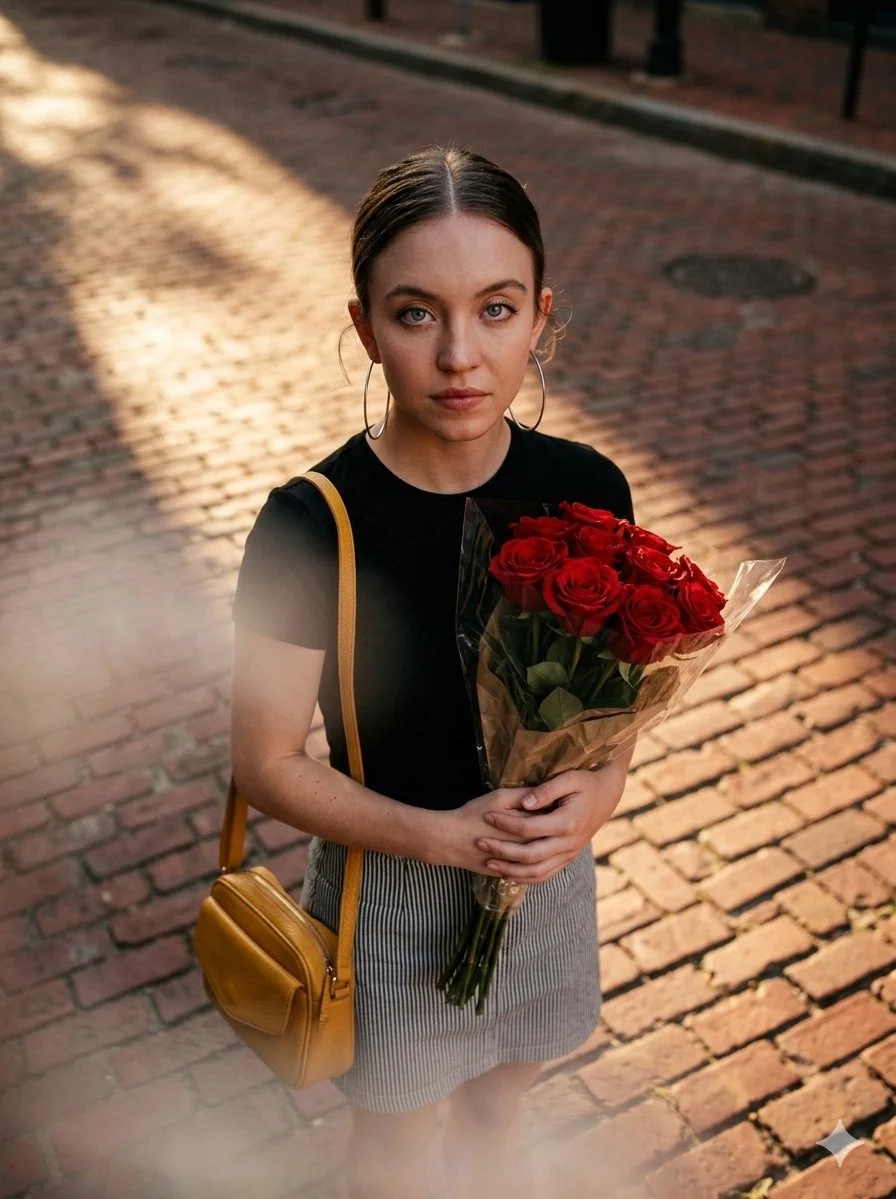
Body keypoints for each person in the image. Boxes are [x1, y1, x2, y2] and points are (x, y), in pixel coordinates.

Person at [230, 144, 637, 1199]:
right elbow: (266, 760)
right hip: (390, 892)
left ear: (540, 316)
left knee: (502, 1104)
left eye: (495, 309)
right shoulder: (310, 522)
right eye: (416, 314)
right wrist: (441, 836)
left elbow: (612, 707)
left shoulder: (589, 489)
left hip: (544, 882)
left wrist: (596, 794)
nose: (460, 355)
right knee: (397, 1147)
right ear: (365, 326)